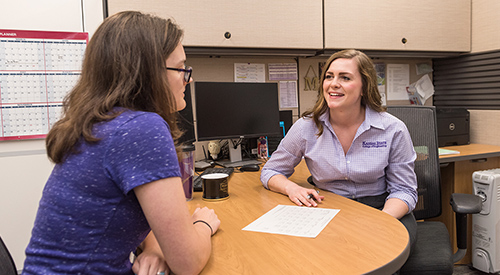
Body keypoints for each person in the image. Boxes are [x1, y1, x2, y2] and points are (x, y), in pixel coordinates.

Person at [22, 11, 220, 275]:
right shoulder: (142, 129)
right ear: (149, 74)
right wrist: (204, 224)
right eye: (181, 68)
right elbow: (188, 262)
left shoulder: (98, 124)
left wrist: (155, 247)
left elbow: (116, 211)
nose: (188, 77)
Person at [260, 49, 418, 250]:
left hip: (383, 207)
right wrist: (292, 188)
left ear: (364, 87)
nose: (333, 83)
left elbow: (404, 190)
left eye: (345, 77)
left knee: (379, 252)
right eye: (329, 76)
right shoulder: (305, 127)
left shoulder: (392, 129)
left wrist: (381, 220)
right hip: (329, 209)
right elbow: (271, 171)